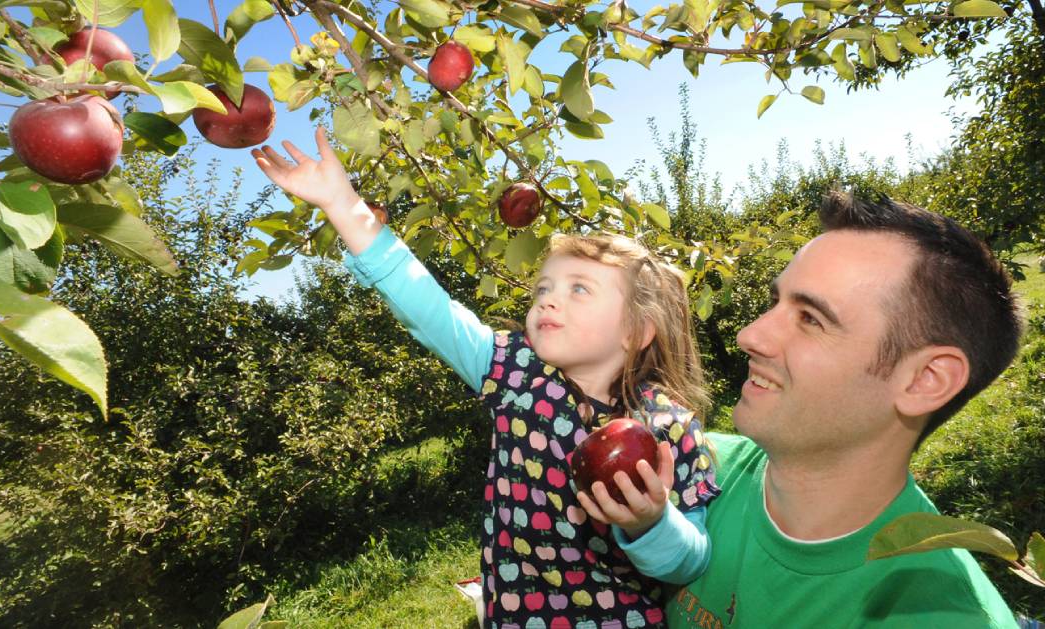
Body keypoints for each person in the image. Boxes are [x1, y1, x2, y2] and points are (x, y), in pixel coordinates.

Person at [252, 128, 719, 628]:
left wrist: (651, 522)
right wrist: (343, 204)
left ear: (636, 330)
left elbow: (691, 561)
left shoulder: (668, 429)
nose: (547, 298)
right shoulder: (516, 371)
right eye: (544, 286)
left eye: (579, 289)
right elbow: (427, 307)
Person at [662, 191, 1023, 628]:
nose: (749, 335)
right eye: (776, 303)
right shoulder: (685, 469)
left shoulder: (942, 615)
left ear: (925, 380)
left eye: (811, 319)